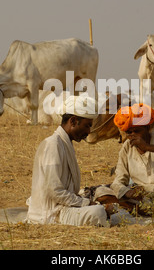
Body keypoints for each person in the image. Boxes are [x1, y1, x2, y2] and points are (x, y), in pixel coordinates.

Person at [97, 103, 154, 222]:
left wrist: (148, 147)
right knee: (102, 194)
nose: (132, 135)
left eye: (137, 131)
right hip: (144, 199)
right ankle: (152, 212)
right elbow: (118, 181)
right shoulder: (126, 148)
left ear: (148, 128)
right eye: (129, 132)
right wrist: (129, 192)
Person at [26, 95, 108, 227]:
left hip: (62, 208)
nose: (88, 131)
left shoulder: (63, 143)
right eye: (87, 126)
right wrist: (86, 203)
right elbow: (54, 191)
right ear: (73, 121)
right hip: (50, 214)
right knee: (98, 212)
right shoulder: (53, 145)